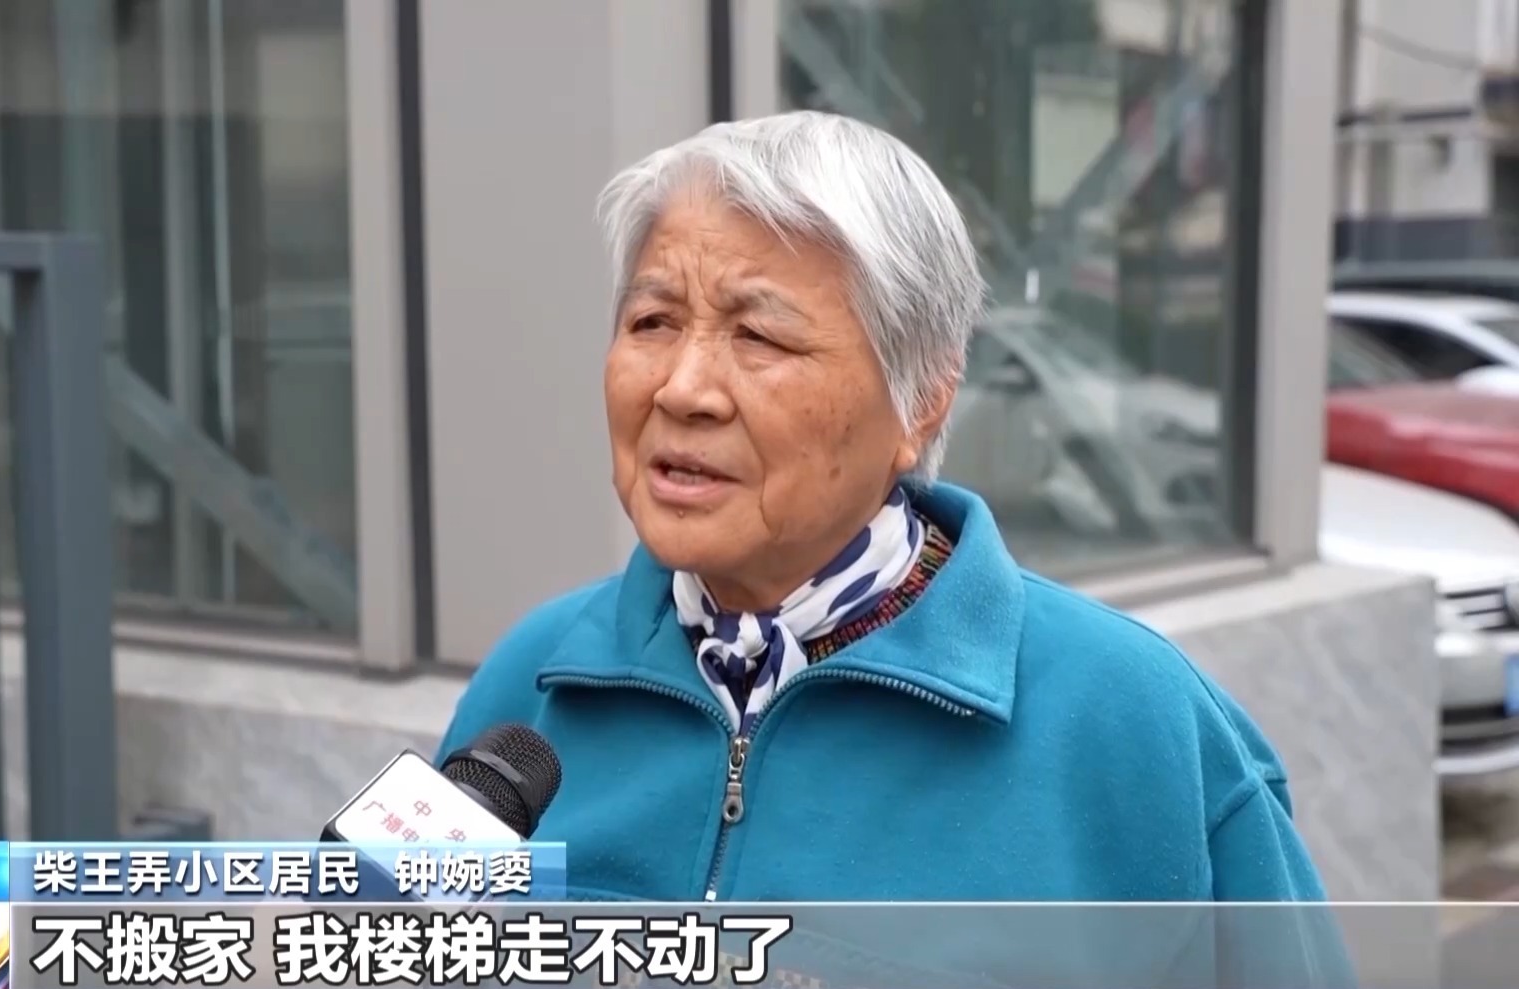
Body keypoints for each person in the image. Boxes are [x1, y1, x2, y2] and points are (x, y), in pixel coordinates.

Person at [434, 111, 1328, 909]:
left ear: (923, 401)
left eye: (759, 335)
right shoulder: (531, 684)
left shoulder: (1131, 726)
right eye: (653, 322)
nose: (683, 388)